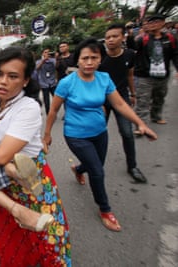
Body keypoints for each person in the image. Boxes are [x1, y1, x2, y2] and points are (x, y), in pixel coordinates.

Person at [0, 46, 70, 267]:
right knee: (13, 238)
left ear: (26, 80)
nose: (2, 81)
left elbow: (1, 155)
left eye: (13, 76)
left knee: (47, 239)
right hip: (4, 178)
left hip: (29, 178)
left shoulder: (28, 107)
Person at [44, 38, 158, 233]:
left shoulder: (104, 79)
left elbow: (120, 104)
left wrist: (140, 123)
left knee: (95, 165)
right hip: (76, 134)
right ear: (77, 60)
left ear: (100, 59)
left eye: (94, 58)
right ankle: (105, 209)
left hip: (99, 132)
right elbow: (53, 110)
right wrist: (47, 135)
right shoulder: (67, 83)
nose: (89, 62)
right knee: (97, 171)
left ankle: (79, 170)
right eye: (85, 58)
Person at [98, 23, 147, 183]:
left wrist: (133, 94)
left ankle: (132, 166)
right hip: (102, 100)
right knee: (97, 132)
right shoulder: (100, 58)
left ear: (123, 37)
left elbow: (130, 76)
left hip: (122, 98)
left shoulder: (129, 55)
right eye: (108, 37)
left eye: (114, 36)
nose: (110, 40)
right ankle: (93, 165)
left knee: (127, 133)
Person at [133, 14, 178, 125]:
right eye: (151, 22)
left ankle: (156, 116)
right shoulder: (142, 39)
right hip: (144, 75)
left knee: (159, 97)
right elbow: (132, 49)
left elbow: (175, 55)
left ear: (163, 23)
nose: (153, 24)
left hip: (162, 75)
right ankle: (141, 124)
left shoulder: (170, 38)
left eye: (156, 22)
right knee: (143, 100)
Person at [36, 48, 57, 114]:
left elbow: (57, 67)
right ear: (42, 54)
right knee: (46, 100)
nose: (47, 54)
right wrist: (43, 60)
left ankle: (55, 111)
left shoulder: (53, 60)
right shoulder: (39, 61)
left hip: (53, 82)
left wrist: (56, 58)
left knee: (57, 98)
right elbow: (36, 68)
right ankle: (48, 113)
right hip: (44, 83)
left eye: (48, 52)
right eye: (45, 52)